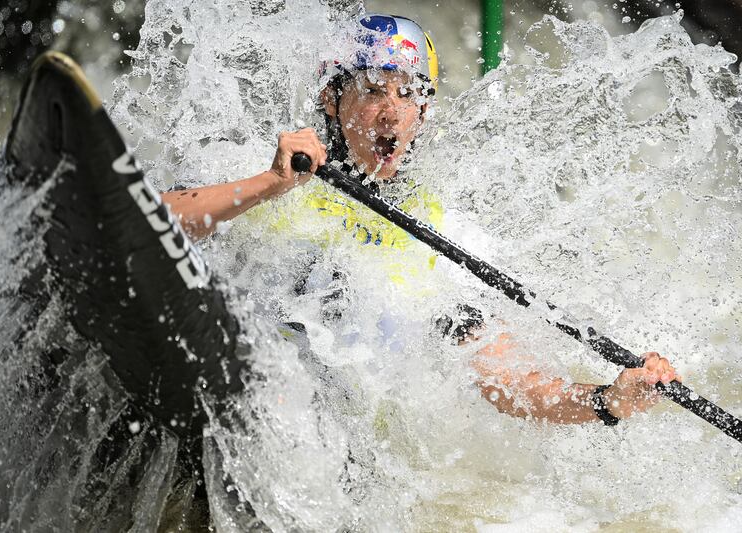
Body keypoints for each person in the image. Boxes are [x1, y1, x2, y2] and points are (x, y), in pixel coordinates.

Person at [161, 13, 680, 427]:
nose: (392, 111)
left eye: (409, 93)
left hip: (330, 439)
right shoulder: (276, 166)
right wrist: (267, 185)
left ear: (423, 114)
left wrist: (610, 399)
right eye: (373, 88)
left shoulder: (436, 228)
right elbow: (154, 217)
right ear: (330, 97)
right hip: (231, 368)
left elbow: (513, 383)